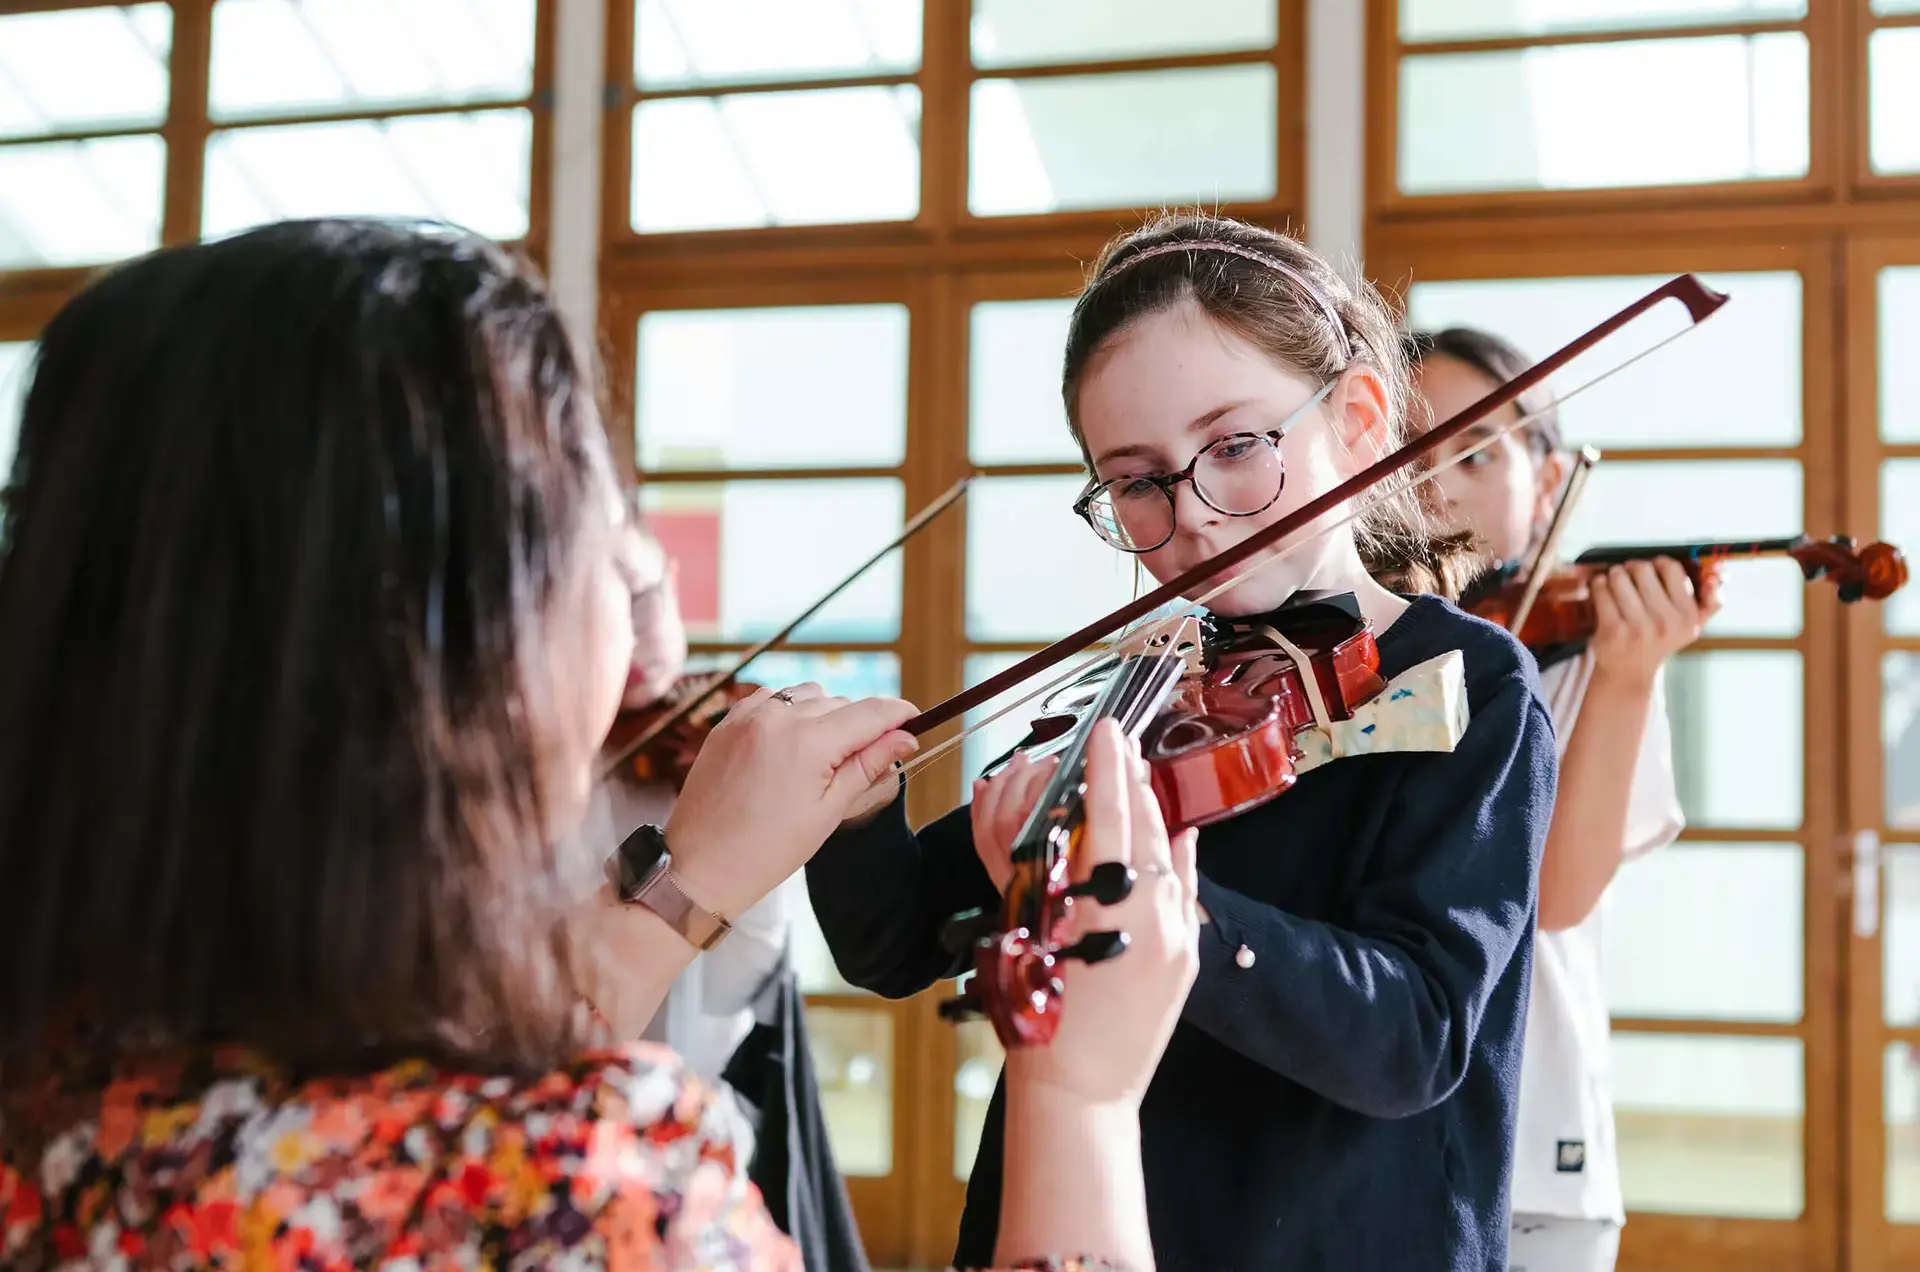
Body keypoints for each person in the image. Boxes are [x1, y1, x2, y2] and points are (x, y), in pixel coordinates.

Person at [0, 218, 1198, 1272]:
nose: (632, 608)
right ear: (460, 635)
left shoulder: (62, 1087)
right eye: (594, 528)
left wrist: (691, 883)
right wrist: (1078, 1095)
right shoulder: (577, 1191)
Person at [807, 212, 1559, 1271]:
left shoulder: (1468, 684)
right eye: (1137, 480)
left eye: (1237, 448)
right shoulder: (1144, 692)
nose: (1195, 513)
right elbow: (892, 942)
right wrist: (856, 813)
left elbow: (1419, 1035)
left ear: (1357, 418)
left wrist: (1169, 915)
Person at [1408, 326, 1718, 1272]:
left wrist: (1627, 676)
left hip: (1531, 1139)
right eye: (1401, 452)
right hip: (1367, 1131)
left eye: (1475, 451)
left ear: (1547, 486)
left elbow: (1558, 893)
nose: (1432, 482)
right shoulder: (1347, 658)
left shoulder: (1590, 658)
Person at [589, 524, 866, 1272]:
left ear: (674, 581)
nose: (643, 631)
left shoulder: (718, 742)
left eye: (651, 594)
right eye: (605, 598)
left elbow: (736, 999)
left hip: (685, 1104)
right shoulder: (552, 768)